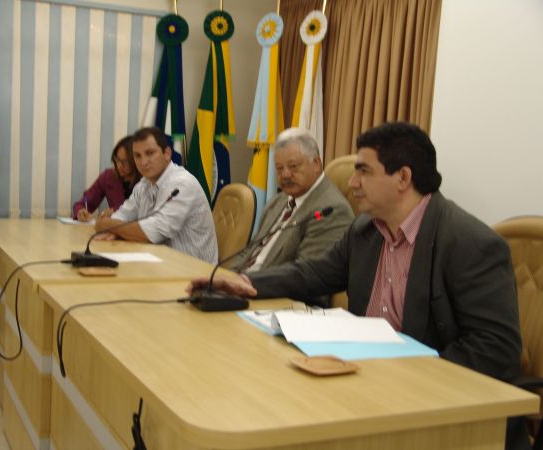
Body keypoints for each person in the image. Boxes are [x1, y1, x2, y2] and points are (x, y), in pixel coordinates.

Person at [188, 122, 528, 449]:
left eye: (363, 171)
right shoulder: (365, 230)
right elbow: (315, 273)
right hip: (366, 385)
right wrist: (245, 282)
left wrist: (410, 374)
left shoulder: (469, 242)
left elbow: (497, 346)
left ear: (403, 178)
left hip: (439, 411)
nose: (352, 183)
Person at [229, 128, 354, 281]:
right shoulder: (278, 201)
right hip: (244, 283)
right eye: (279, 168)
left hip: (273, 291)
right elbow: (250, 251)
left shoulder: (331, 211)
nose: (285, 175)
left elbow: (304, 277)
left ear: (316, 164)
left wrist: (244, 284)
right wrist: (226, 278)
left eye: (293, 166)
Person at [95, 126, 218, 264]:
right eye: (137, 156)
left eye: (150, 153)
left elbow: (152, 233)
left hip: (194, 270)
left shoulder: (182, 184)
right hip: (160, 262)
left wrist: (107, 224)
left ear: (167, 153)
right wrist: (111, 227)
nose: (143, 162)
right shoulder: (144, 184)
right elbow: (122, 216)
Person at [72, 135, 140, 221]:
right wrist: (80, 211)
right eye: (117, 160)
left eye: (124, 162)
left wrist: (116, 212)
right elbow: (82, 204)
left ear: (136, 161)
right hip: (114, 228)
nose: (119, 166)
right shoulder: (109, 177)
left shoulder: (146, 180)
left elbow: (148, 214)